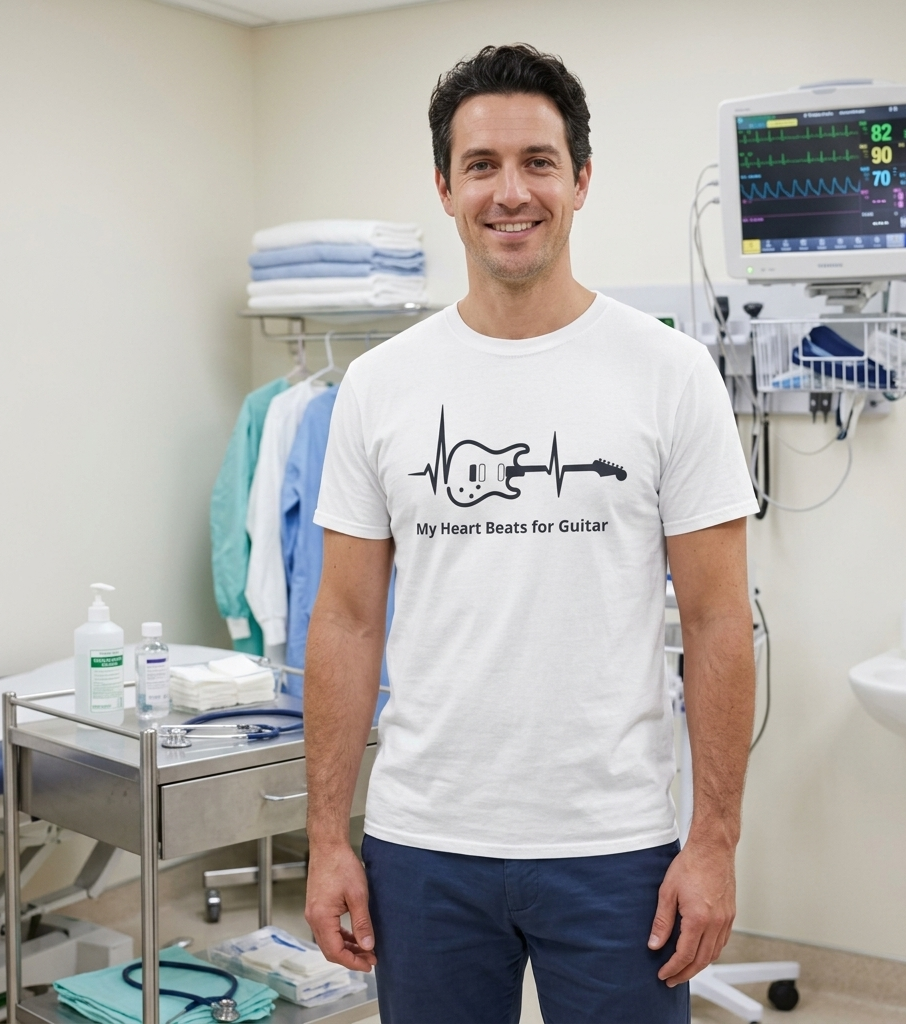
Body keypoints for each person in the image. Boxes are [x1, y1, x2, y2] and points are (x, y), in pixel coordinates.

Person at [303, 43, 758, 1024]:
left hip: (613, 845)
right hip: (424, 841)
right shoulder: (380, 386)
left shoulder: (669, 374)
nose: (510, 192)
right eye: (481, 166)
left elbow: (721, 620)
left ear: (581, 179)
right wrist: (326, 837)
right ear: (444, 186)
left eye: (538, 162)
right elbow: (343, 620)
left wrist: (712, 837)